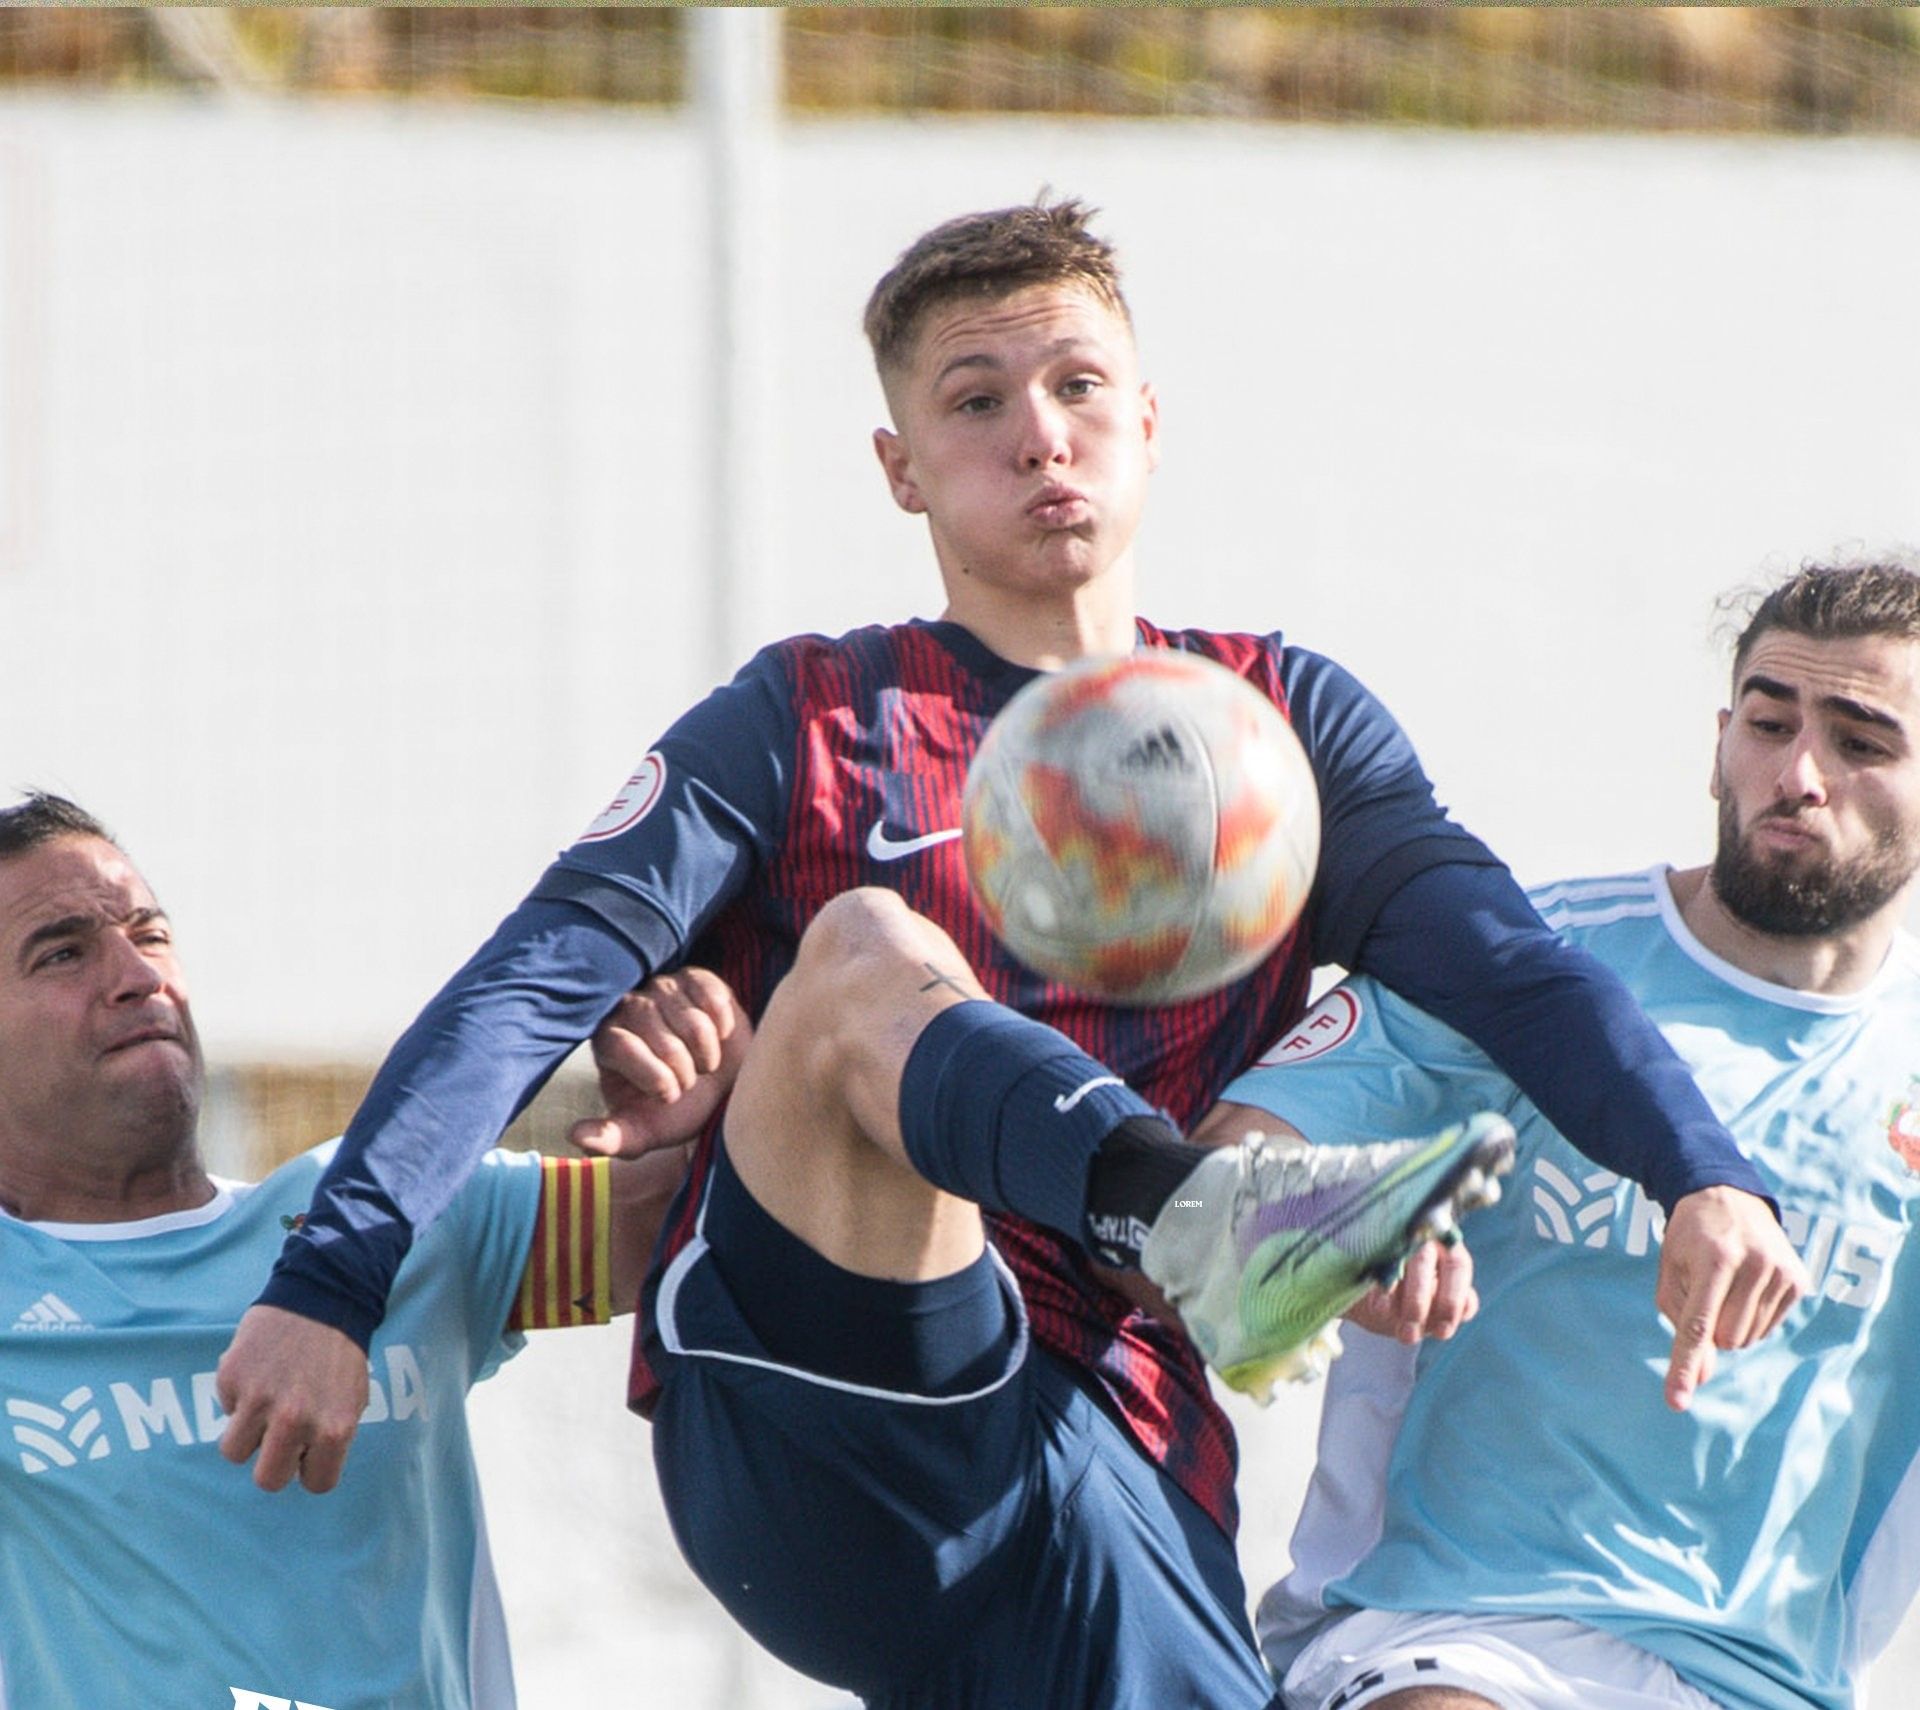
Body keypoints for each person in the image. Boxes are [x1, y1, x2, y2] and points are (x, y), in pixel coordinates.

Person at [215, 199, 1801, 1708]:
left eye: (1078, 384)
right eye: (977, 401)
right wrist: (331, 1279)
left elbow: (1508, 967)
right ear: (903, 469)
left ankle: (1212, 1243)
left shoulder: (1282, 726)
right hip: (819, 1391)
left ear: (1151, 422)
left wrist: (1703, 1170)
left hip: (1114, 1441)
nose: (1040, 431)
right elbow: (532, 980)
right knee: (860, 950)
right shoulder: (818, 715)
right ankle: (1208, 1223)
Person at [1211, 558, 1920, 1710]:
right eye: (1769, 724)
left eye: (1862, 741)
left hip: (1764, 1683)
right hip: (1455, 1631)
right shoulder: (1521, 963)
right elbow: (1207, 1206)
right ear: (1717, 746)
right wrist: (1347, 1243)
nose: (1798, 775)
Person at [0, 791, 683, 1710]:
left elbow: (705, 1219)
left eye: (149, 934)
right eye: (63, 952)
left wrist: (716, 1093)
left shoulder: (378, 1215)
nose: (137, 974)